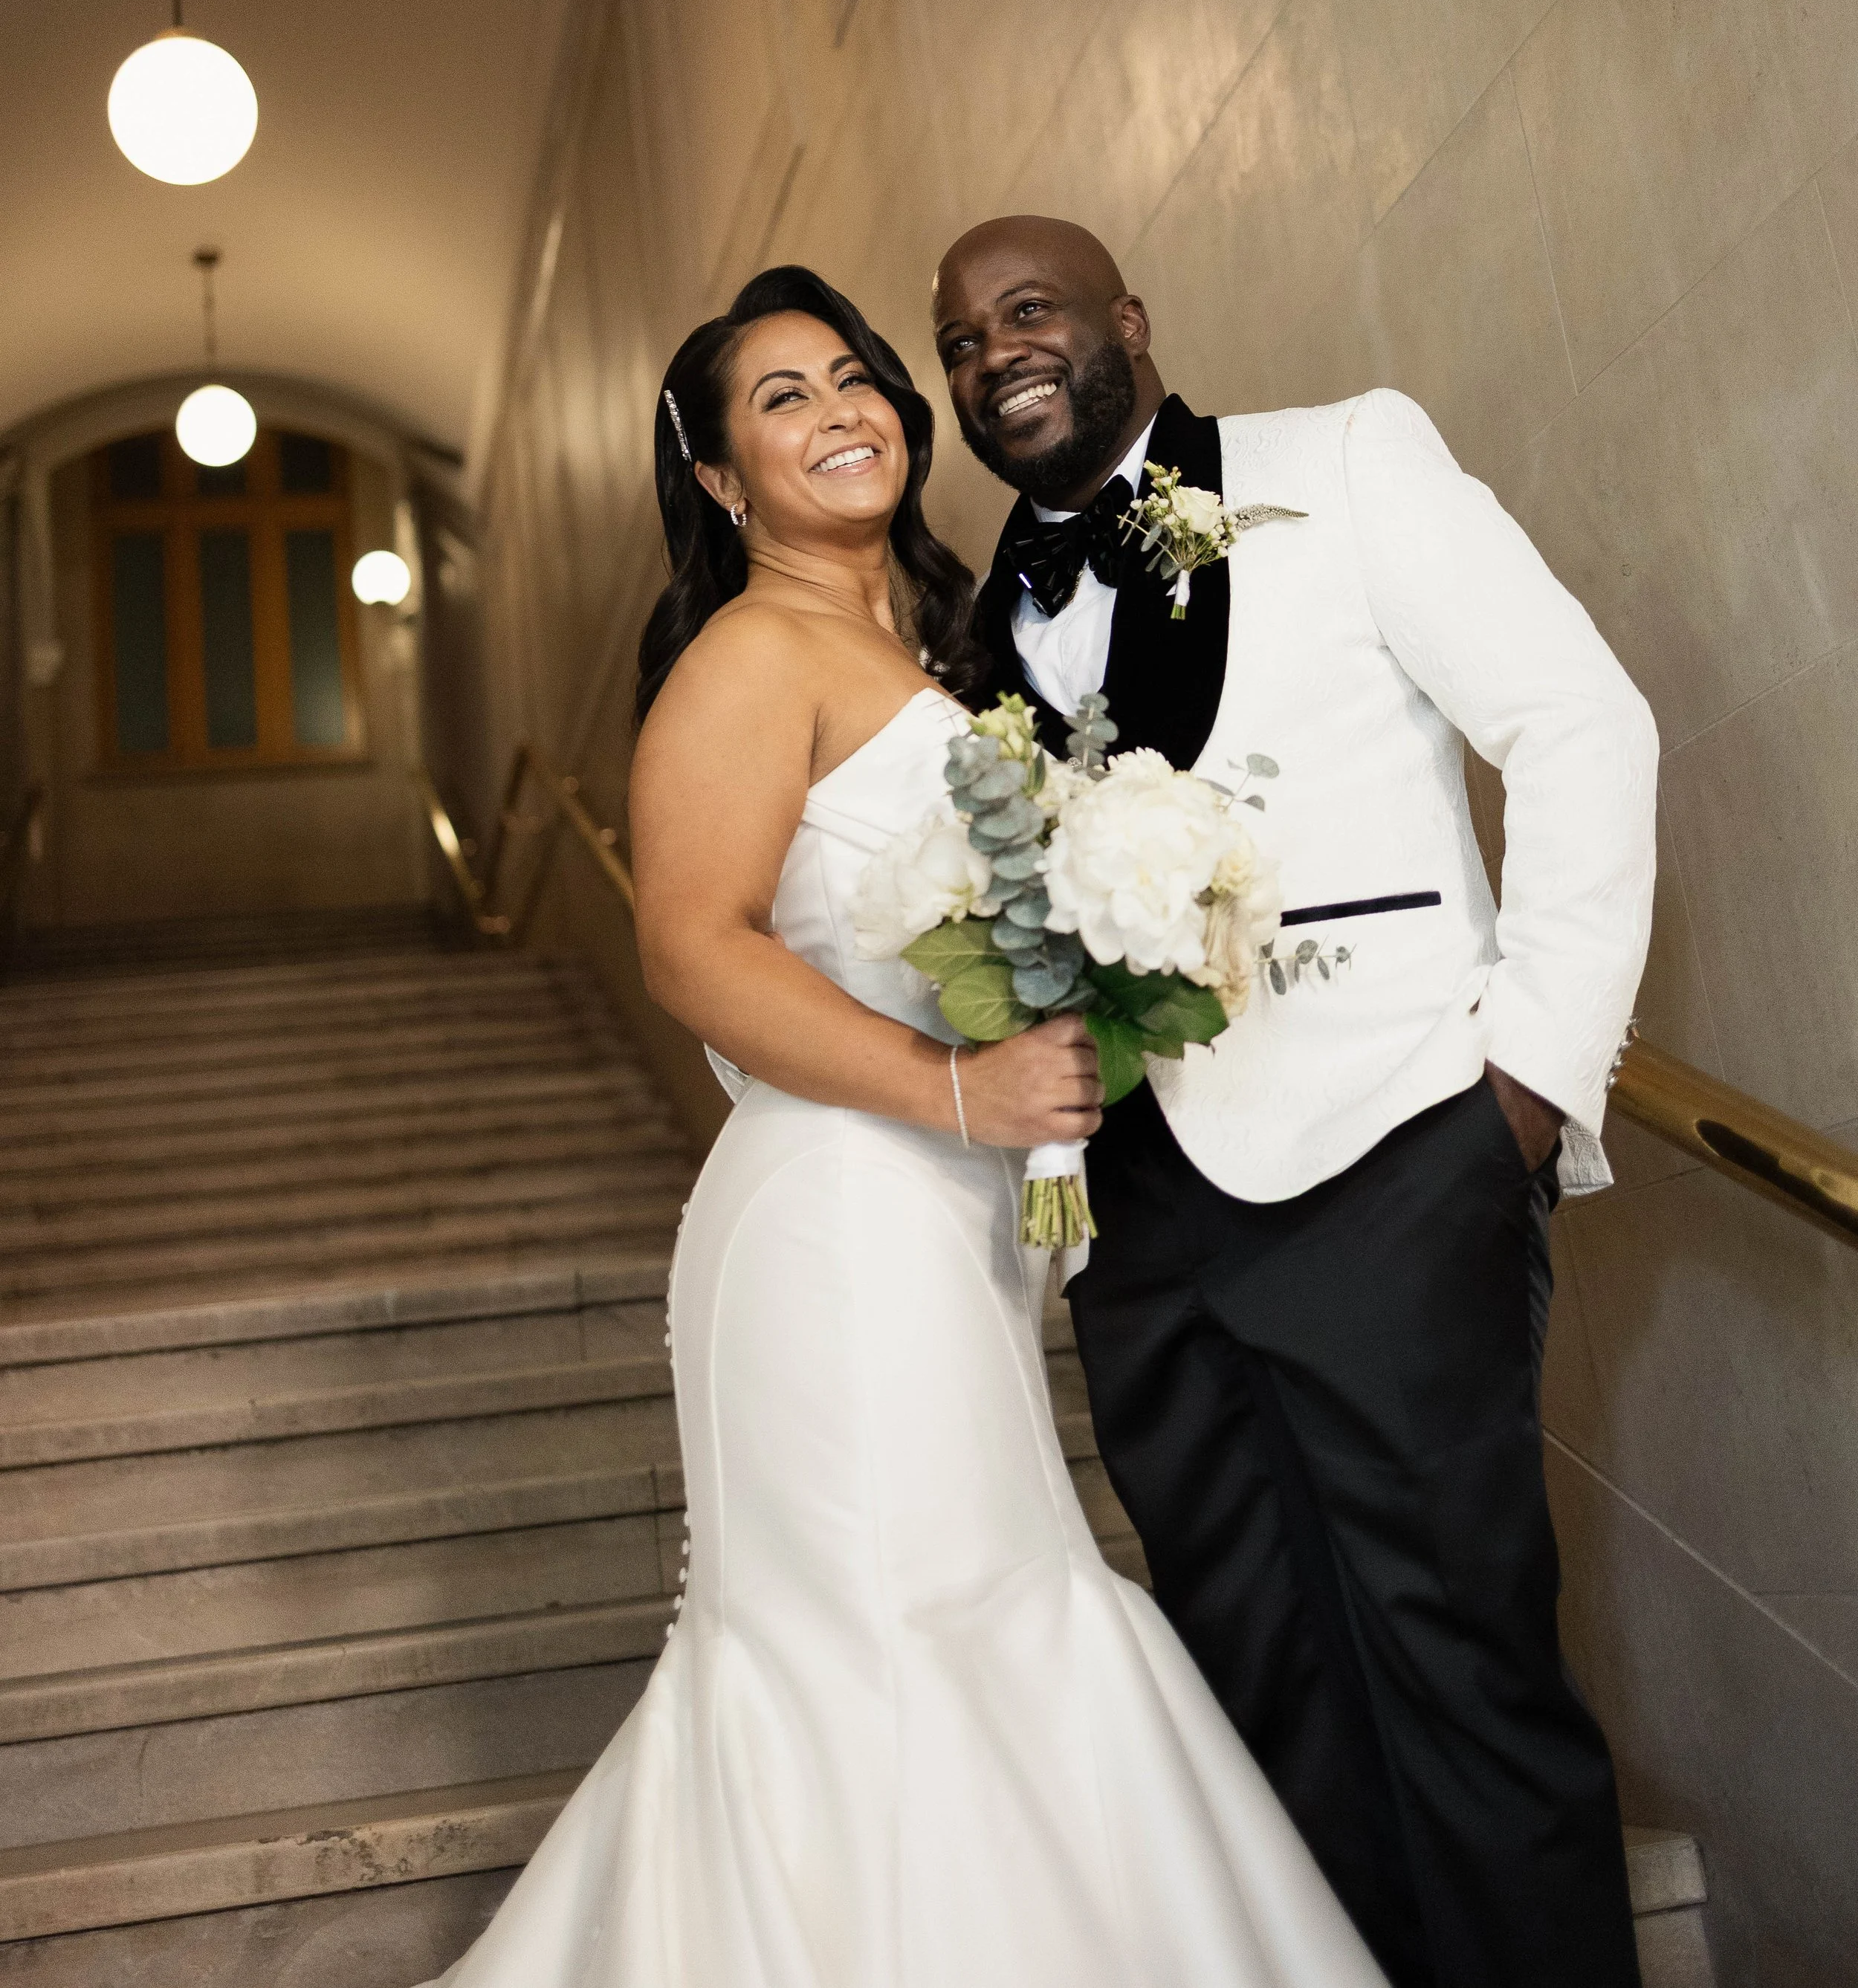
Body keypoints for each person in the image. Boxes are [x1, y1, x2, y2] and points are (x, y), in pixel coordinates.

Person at [415, 264, 1385, 1988]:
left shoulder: (927, 648)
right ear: (719, 482)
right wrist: (956, 1086)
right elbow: (685, 943)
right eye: (778, 399)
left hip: (945, 1218)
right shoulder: (745, 653)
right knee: (891, 1645)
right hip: (835, 1224)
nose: (839, 409)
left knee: (981, 1615)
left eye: (851, 376)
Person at [931, 214, 1659, 1988]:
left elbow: (1577, 725)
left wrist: (1524, 1086)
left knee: (1462, 1673)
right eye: (955, 339)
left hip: (1395, 1152)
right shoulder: (967, 636)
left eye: (1027, 310)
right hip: (1139, 1222)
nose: (991, 352)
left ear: (1128, 320)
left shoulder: (1338, 459)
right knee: (1258, 1693)